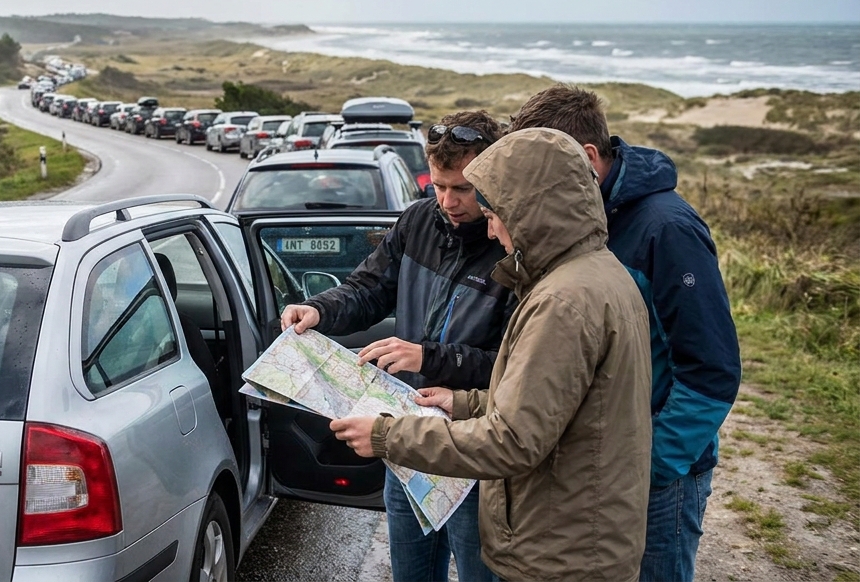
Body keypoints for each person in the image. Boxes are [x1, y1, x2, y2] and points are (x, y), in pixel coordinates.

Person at [329, 127, 654, 581]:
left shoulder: (561, 301)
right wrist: (462, 403)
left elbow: (513, 439)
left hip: (559, 548)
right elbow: (550, 403)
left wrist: (388, 436)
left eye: (493, 211)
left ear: (529, 211)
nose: (490, 226)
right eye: (440, 187)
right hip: (572, 534)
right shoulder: (597, 273)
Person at [508, 85, 741, 582]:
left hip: (657, 474)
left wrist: (646, 466)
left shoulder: (667, 229)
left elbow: (712, 370)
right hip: (600, 467)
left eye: (544, 171)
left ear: (589, 157)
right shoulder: (580, 219)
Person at [281, 110, 514, 582]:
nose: (448, 201)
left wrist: (428, 356)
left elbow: (514, 367)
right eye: (439, 186)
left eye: (463, 189)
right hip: (407, 432)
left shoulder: (512, 246)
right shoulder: (417, 220)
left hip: (477, 444)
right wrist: (319, 309)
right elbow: (368, 289)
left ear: (492, 180)